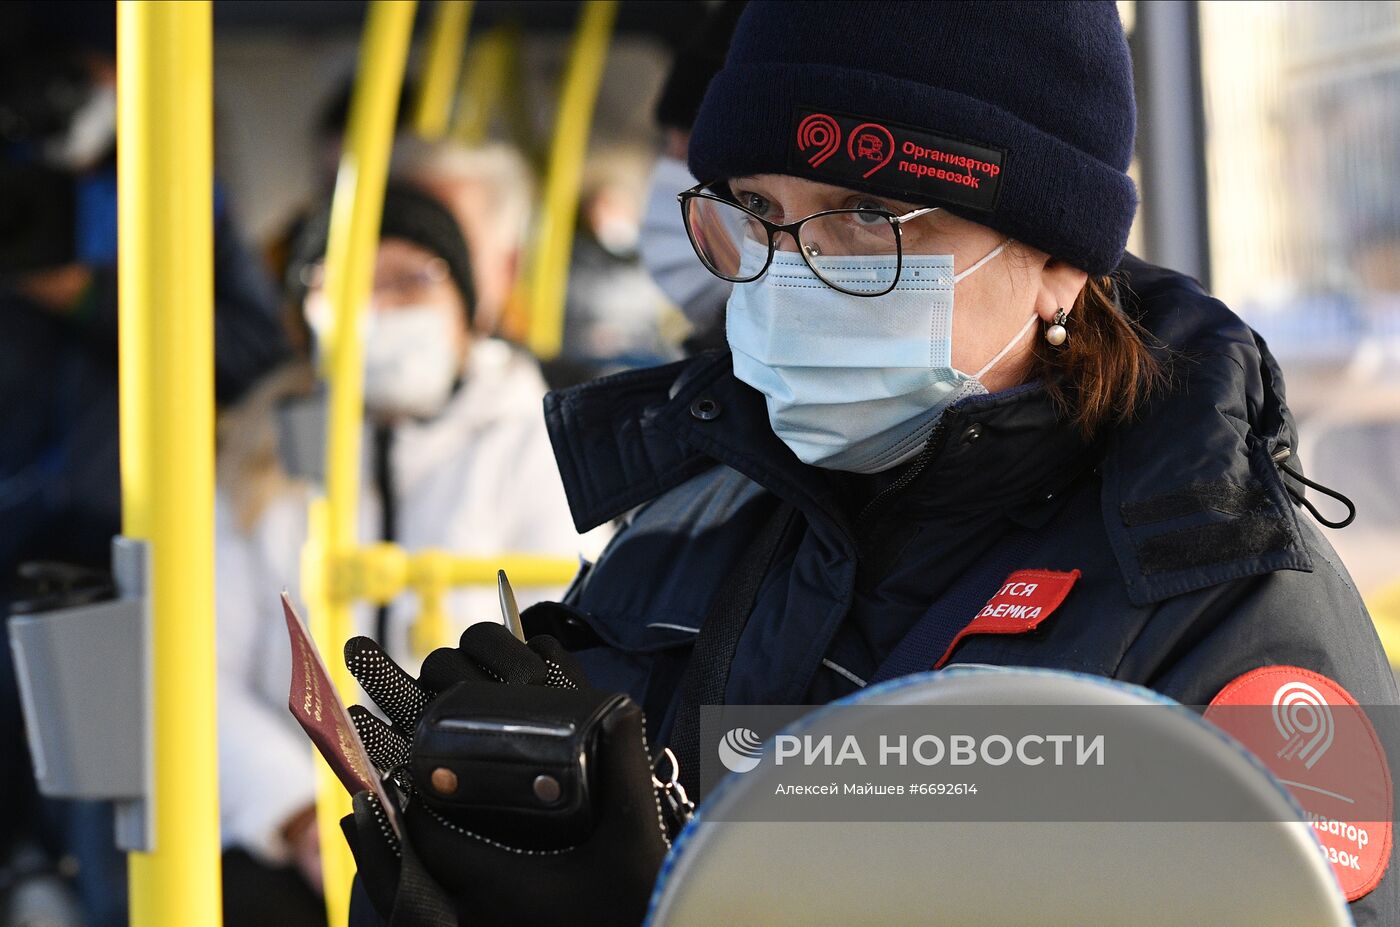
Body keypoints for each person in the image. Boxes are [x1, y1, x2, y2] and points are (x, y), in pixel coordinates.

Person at [341, 3, 1399, 925]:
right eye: (755, 211)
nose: (787, 274)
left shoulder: (1217, 592)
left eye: (864, 215)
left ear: (1059, 262)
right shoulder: (687, 525)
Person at [215, 182, 592, 926]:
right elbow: (195, 664)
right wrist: (302, 815)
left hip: (490, 824)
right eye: (342, 284)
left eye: (409, 280)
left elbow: (570, 653)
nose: (376, 309)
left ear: (468, 303)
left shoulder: (541, 442)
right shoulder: (259, 456)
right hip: (293, 840)